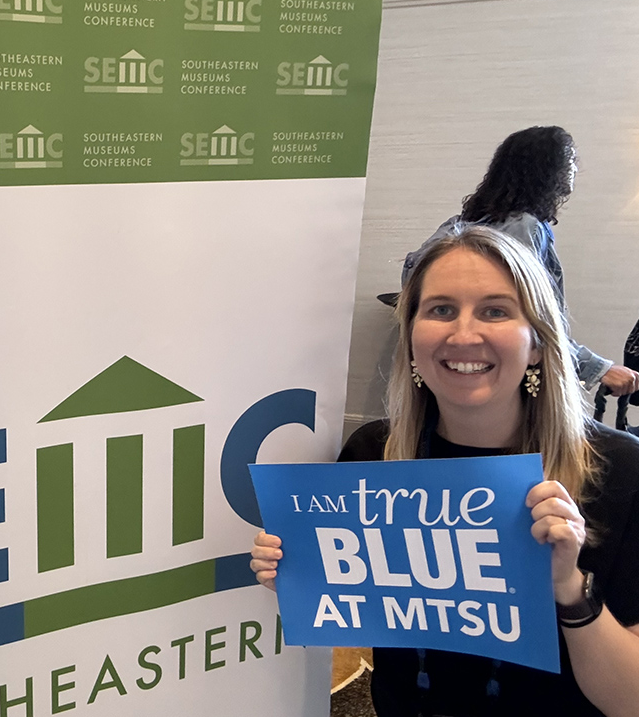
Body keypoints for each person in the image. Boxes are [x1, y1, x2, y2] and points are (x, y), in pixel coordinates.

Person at [252, 225, 639, 716]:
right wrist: (298, 571)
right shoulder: (376, 455)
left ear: (538, 343)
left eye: (495, 311)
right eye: (440, 310)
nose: (463, 334)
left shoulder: (621, 471)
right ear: (412, 337)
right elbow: (353, 611)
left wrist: (567, 588)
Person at [400, 126, 639, 398]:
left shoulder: (458, 225)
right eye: (569, 158)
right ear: (547, 168)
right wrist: (598, 369)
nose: (575, 167)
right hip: (508, 383)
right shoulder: (525, 229)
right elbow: (536, 320)